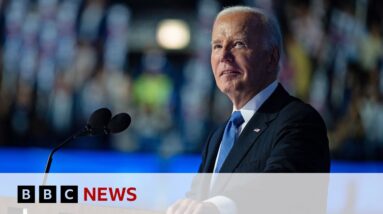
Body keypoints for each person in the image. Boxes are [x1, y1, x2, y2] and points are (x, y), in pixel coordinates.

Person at [167, 6, 330, 214]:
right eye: (217, 46)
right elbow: (197, 202)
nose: (224, 56)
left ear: (271, 58)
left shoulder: (299, 121)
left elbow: (281, 188)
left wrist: (215, 208)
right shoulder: (219, 137)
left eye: (238, 44)